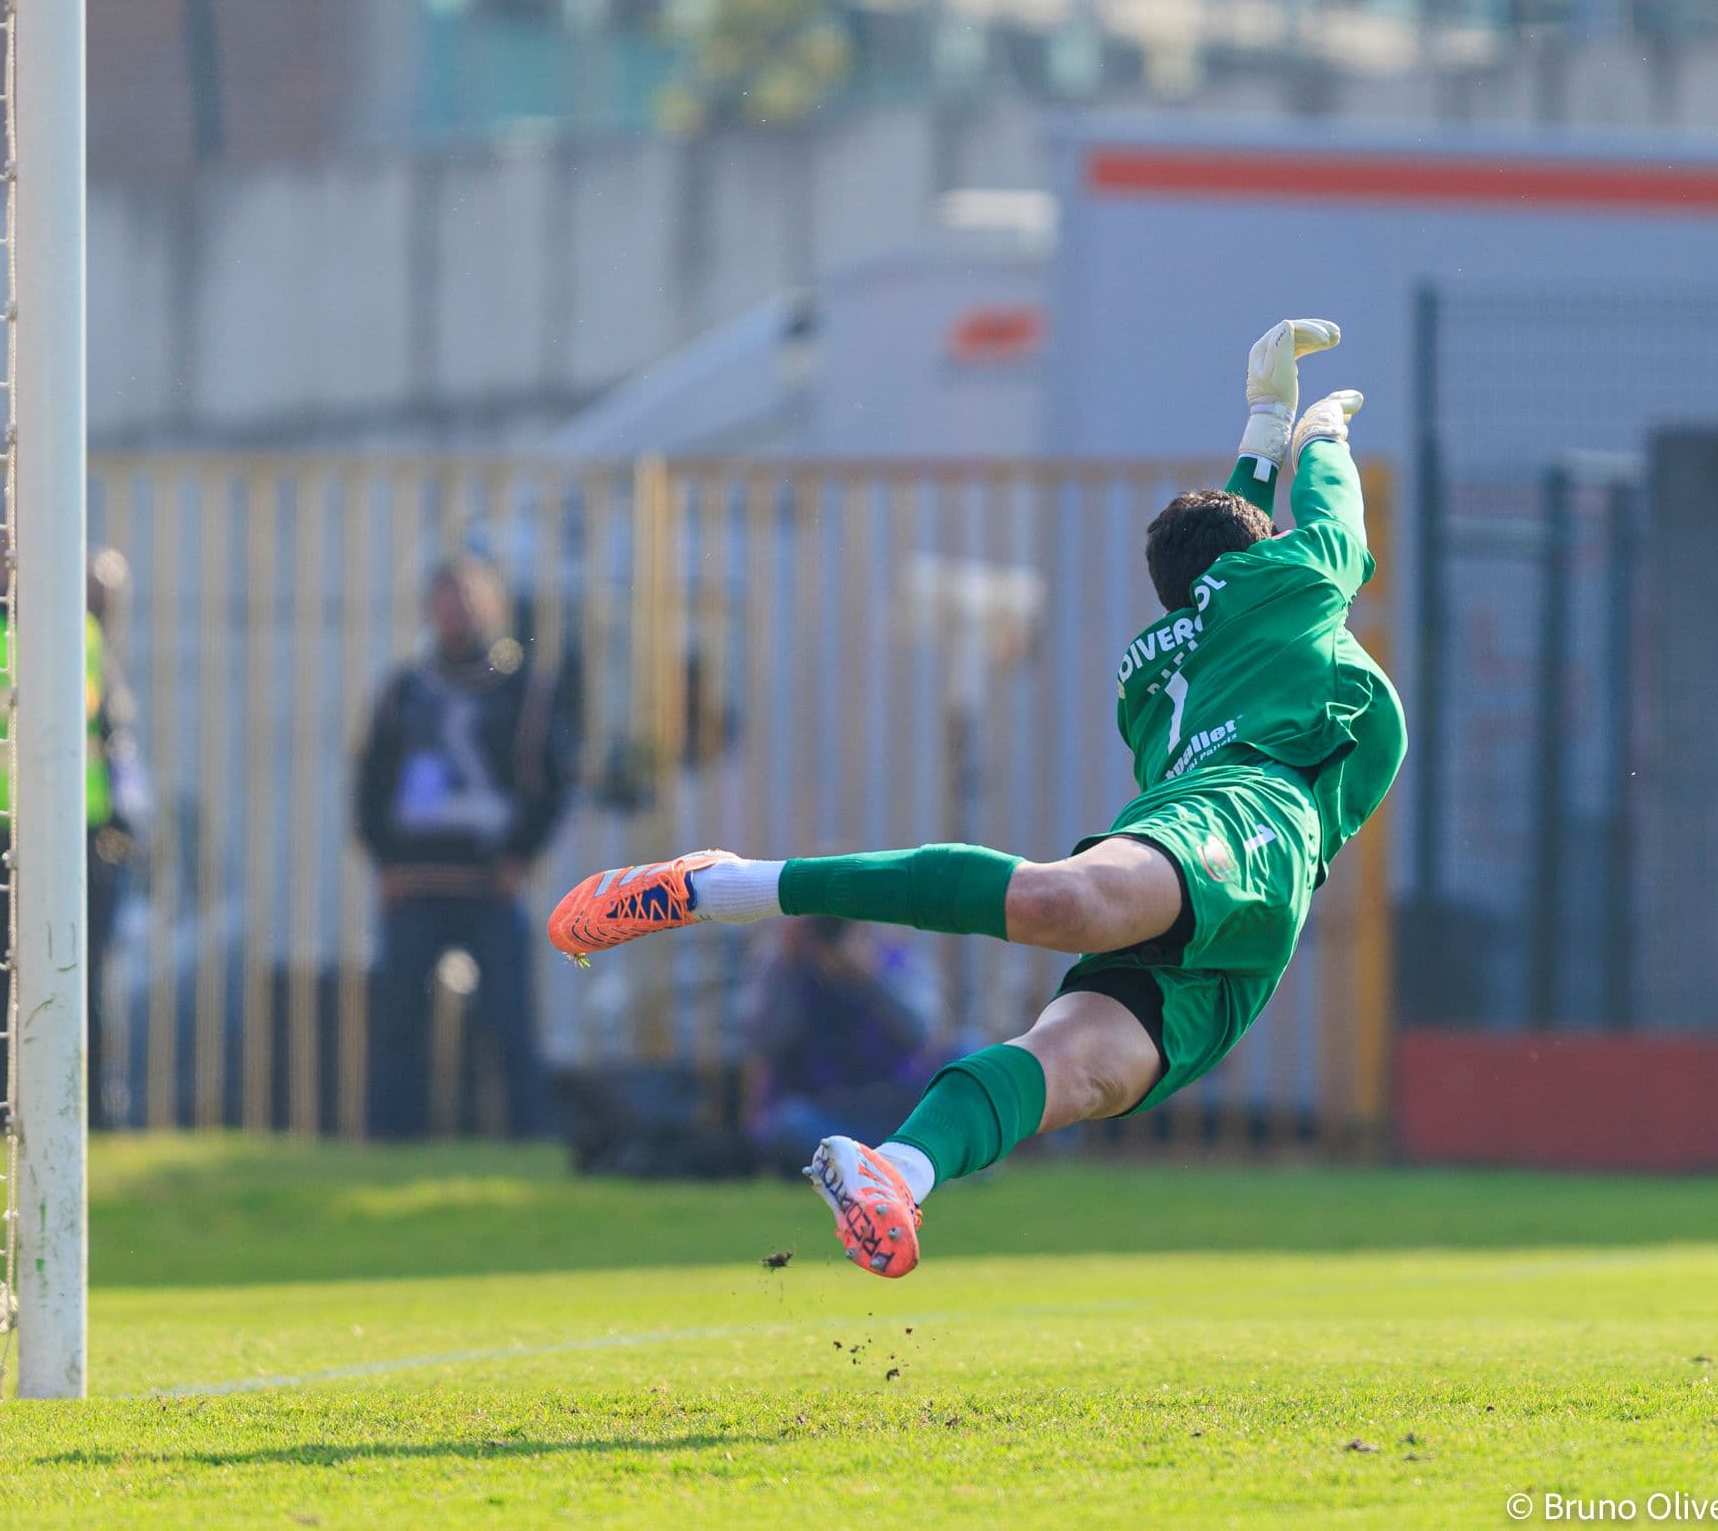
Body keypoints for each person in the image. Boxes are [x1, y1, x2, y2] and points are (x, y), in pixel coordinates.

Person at [546, 319, 1405, 1277]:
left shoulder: (1186, 649)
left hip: (1250, 898)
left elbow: (1233, 547)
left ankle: (895, 1172)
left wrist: (1263, 425)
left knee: (1079, 1074)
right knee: (1058, 902)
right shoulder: (1283, 594)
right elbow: (1328, 524)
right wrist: (1319, 436)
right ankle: (724, 885)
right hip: (1241, 814)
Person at [356, 555, 579, 1138]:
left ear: (493, 606)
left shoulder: (527, 689)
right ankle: (392, 1137)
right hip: (414, 884)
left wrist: (521, 854)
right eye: (446, 600)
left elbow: (555, 782)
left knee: (508, 1018)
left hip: (490, 885)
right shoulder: (404, 690)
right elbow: (372, 780)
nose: (456, 613)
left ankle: (527, 1136)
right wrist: (385, 859)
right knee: (399, 1018)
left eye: (468, 599)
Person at [0, 553, 137, 1129]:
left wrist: (119, 817)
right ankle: (1, 1106)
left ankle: (88, 1110)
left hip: (82, 834)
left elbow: (108, 732)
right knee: (5, 967)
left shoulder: (81, 631)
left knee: (82, 968)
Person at [737, 918, 942, 1174]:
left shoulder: (890, 957)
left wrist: (870, 975)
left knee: (965, 1053)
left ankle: (879, 1162)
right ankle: (890, 1163)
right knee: (788, 1123)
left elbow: (921, 1033)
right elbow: (765, 1046)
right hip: (829, 1114)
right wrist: (789, 966)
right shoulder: (790, 966)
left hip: (896, 1106)